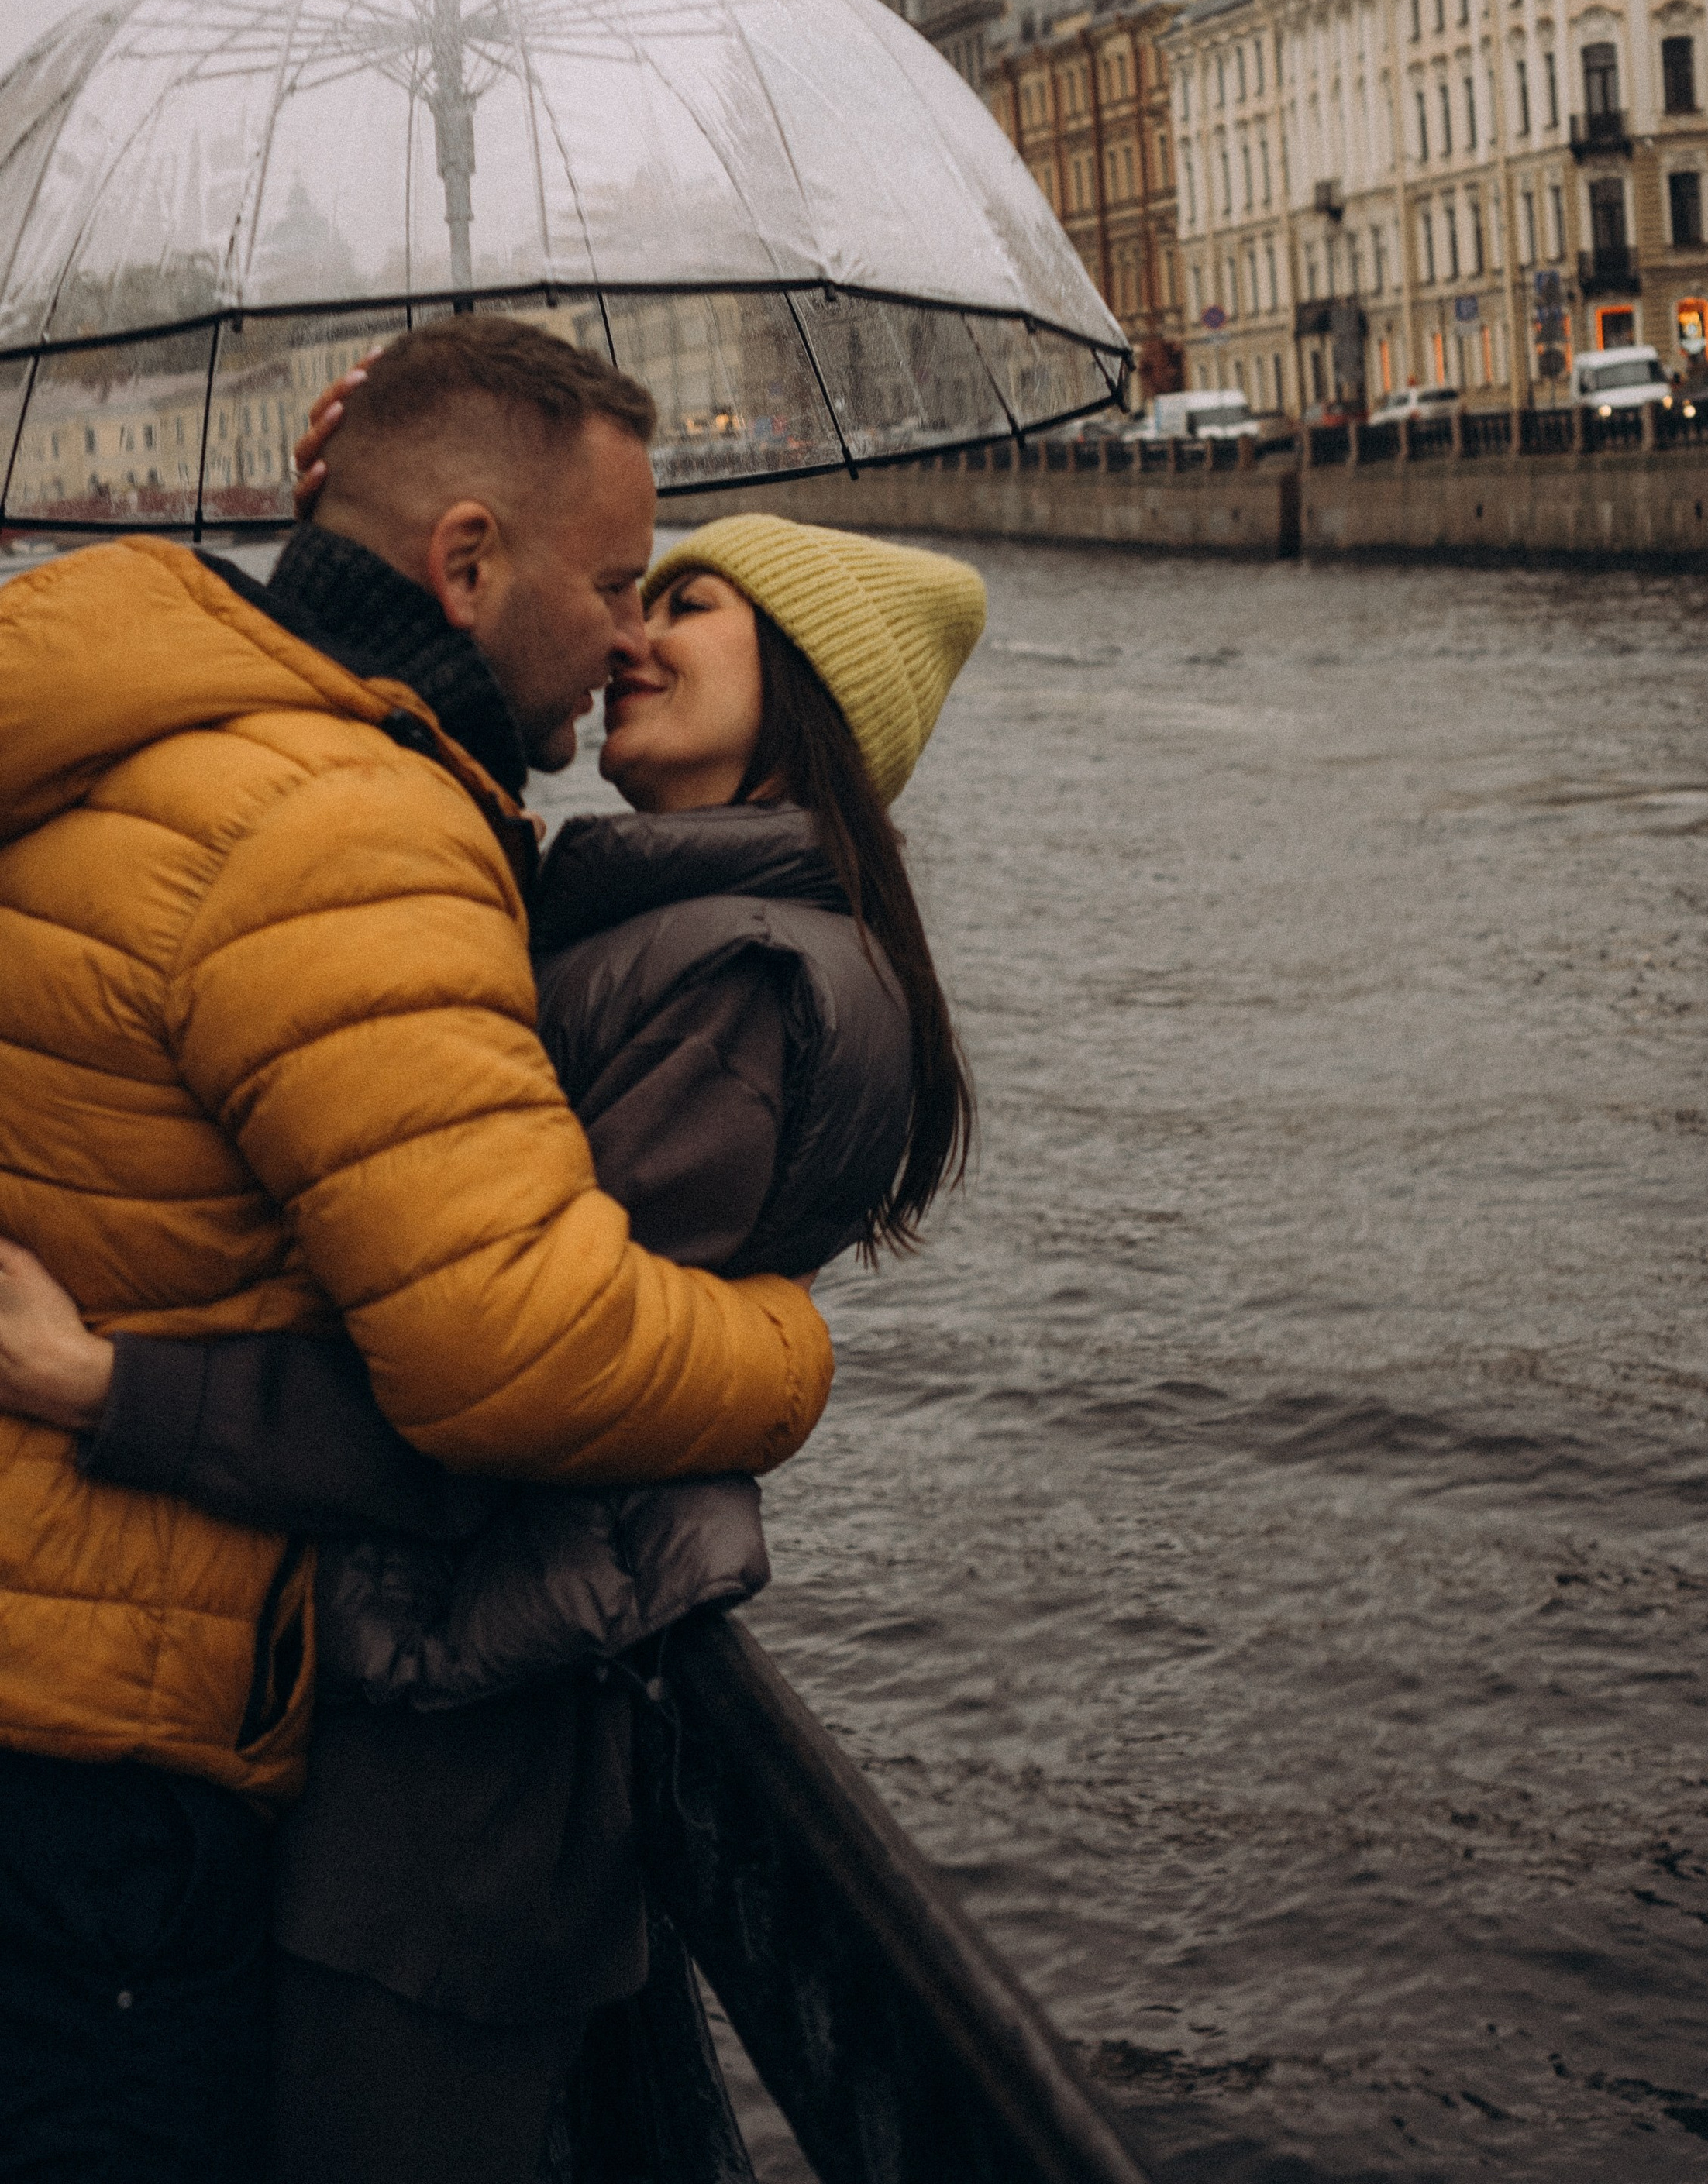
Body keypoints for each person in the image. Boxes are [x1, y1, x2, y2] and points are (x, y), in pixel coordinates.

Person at [0, 497, 987, 2182]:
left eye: (683, 605)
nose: (627, 642)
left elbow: (499, 1402)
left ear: (818, 690)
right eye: (625, 589)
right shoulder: (614, 920)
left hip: (448, 1803)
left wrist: (114, 1388)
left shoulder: (747, 982)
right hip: (380, 1720)